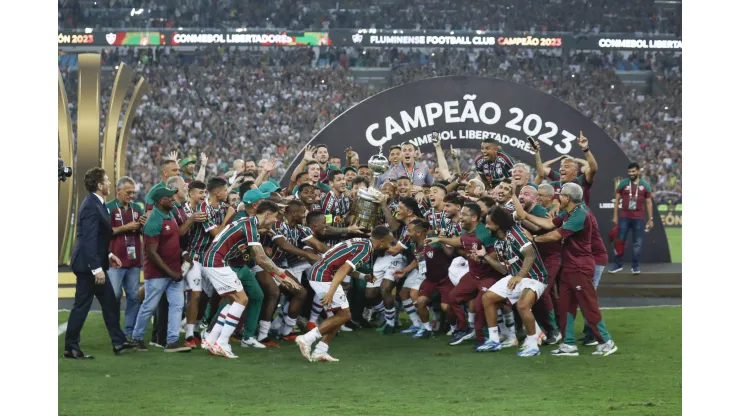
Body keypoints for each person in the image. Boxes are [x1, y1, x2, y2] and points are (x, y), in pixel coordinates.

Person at [521, 183, 618, 357]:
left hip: (580, 267)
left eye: (562, 195)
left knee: (588, 305)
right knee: (566, 306)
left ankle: (606, 341)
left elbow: (556, 234)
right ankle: (568, 344)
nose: (558, 197)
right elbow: (550, 223)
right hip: (569, 266)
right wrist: (526, 215)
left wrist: (534, 238)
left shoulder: (581, 214)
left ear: (569, 198)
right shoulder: (569, 212)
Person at [201, 200, 302, 358]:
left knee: (233, 300)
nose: (276, 221)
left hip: (214, 260)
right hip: (218, 262)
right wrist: (282, 276)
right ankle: (222, 342)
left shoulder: (248, 223)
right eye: (274, 217)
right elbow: (261, 258)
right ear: (267, 215)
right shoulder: (250, 227)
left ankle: (211, 339)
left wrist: (278, 275)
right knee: (242, 300)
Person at [296, 226, 395, 362]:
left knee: (340, 316)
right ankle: (307, 339)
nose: (390, 246)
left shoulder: (362, 242)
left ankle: (320, 351)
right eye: (390, 243)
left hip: (322, 272)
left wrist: (362, 277)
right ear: (382, 242)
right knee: (344, 315)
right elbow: (343, 269)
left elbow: (342, 264)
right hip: (323, 276)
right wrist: (331, 292)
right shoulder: (365, 250)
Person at [64, 168, 134, 359]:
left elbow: (99, 237)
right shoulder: (91, 206)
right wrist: (96, 269)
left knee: (110, 302)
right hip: (89, 266)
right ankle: (71, 347)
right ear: (100, 185)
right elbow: (88, 239)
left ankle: (118, 342)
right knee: (82, 306)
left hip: (95, 263)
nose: (110, 183)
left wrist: (109, 254)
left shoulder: (97, 203)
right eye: (107, 181)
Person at [474, 207, 548, 357]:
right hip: (515, 277)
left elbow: (530, 255)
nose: (486, 227)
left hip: (534, 277)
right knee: (487, 297)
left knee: (522, 305)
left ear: (499, 224)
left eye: (489, 224)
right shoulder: (498, 243)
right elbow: (503, 270)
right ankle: (494, 340)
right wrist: (485, 256)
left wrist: (519, 276)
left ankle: (533, 346)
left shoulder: (516, 233)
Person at [426, 204, 503, 346]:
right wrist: (440, 239)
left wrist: (483, 258)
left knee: (480, 305)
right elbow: (460, 241)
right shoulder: (466, 231)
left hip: (489, 276)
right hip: (473, 275)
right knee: (453, 297)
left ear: (474, 217)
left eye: (464, 214)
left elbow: (496, 254)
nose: (460, 217)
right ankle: (464, 329)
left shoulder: (484, 233)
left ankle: (486, 338)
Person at [131, 186, 193, 353]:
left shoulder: (170, 214)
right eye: (169, 197)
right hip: (158, 273)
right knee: (149, 306)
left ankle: (172, 341)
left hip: (174, 270)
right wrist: (171, 273)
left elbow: (171, 242)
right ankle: (137, 339)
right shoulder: (153, 221)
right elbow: (151, 253)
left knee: (177, 305)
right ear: (160, 200)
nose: (173, 200)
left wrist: (184, 253)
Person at [183, 177, 236, 346]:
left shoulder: (220, 207)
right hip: (195, 258)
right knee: (196, 294)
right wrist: (229, 215)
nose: (227, 194)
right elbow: (217, 234)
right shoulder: (203, 209)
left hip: (209, 259)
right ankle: (189, 336)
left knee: (207, 296)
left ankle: (196, 328)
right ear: (217, 192)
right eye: (225, 191)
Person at [106, 176, 146, 340]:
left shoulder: (137, 208)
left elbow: (145, 232)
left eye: (133, 192)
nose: (131, 195)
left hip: (134, 261)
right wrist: (126, 227)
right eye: (128, 192)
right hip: (114, 260)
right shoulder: (108, 208)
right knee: (114, 295)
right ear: (119, 191)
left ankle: (129, 330)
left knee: (134, 296)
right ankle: (114, 328)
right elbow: (106, 231)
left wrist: (144, 225)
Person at [610, 162, 654, 274]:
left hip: (638, 218)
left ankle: (635, 266)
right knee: (620, 241)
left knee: (637, 243)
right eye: (629, 172)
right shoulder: (623, 183)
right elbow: (616, 201)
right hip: (624, 216)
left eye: (633, 171)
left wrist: (650, 218)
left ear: (638, 171)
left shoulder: (645, 185)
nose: (631, 173)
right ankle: (618, 264)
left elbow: (648, 202)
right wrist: (615, 215)